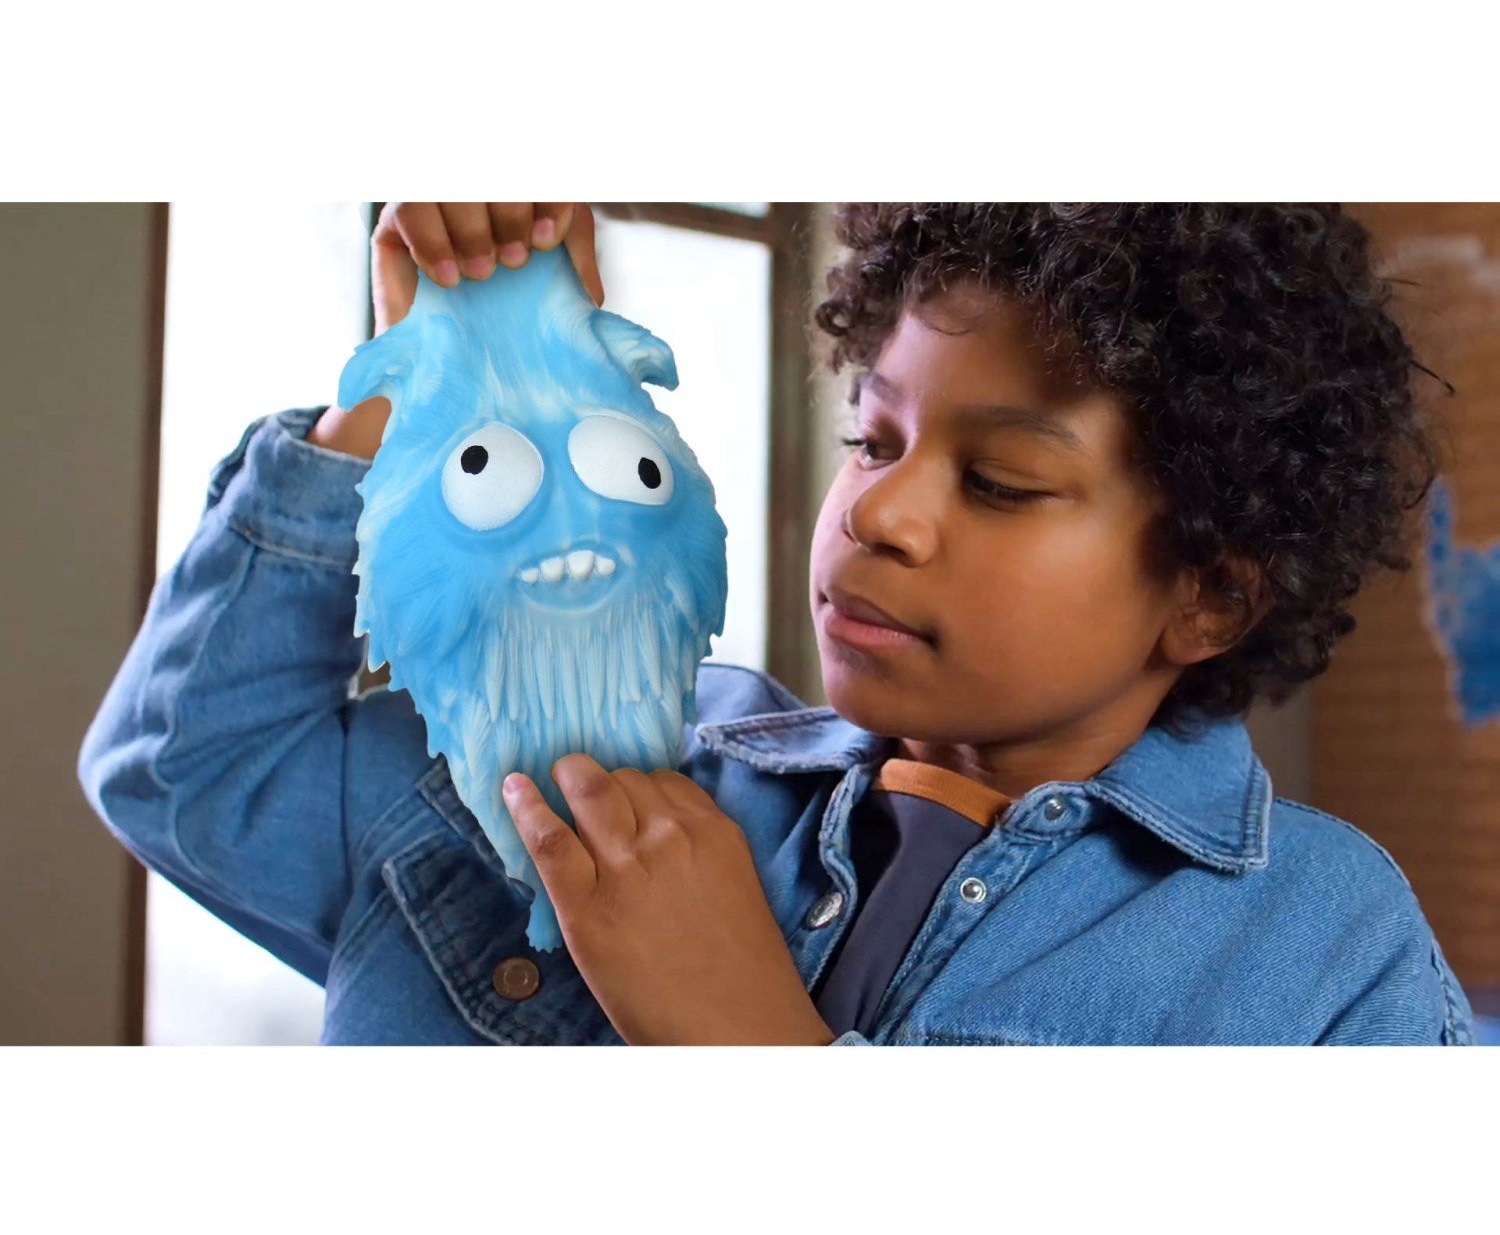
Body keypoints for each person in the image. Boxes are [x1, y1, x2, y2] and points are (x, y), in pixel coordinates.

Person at [77, 202, 1476, 1045]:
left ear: (1210, 592)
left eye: (1000, 481)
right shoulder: (613, 758)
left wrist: (746, 1046)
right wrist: (420, 395)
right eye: (874, 439)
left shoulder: (1323, 953)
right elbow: (187, 770)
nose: (881, 513)